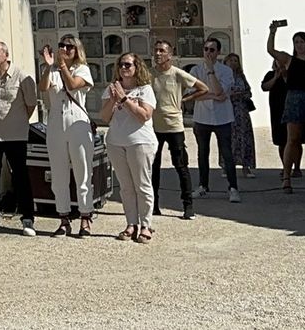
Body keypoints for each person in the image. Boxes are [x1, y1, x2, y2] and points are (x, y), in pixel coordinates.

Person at [0, 41, 38, 235]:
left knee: (21, 176)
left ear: (6, 55)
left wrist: (18, 122)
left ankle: (27, 219)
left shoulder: (21, 76)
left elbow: (30, 104)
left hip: (15, 134)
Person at [38, 36, 95, 237]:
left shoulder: (82, 69)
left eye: (69, 46)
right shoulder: (53, 70)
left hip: (77, 121)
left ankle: (85, 217)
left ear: (77, 49)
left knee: (82, 171)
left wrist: (61, 66)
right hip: (55, 121)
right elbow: (43, 87)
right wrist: (48, 66)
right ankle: (63, 218)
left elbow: (72, 85)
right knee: (58, 173)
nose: (64, 49)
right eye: (61, 45)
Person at [100, 55, 158, 243]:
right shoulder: (112, 89)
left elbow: (145, 116)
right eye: (120, 65)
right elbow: (105, 117)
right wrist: (113, 99)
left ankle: (146, 225)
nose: (123, 68)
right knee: (126, 187)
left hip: (140, 142)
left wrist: (125, 99)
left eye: (128, 64)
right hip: (116, 141)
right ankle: (131, 224)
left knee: (142, 185)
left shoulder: (145, 90)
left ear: (136, 67)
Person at [148, 39, 206, 220]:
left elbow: (203, 88)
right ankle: (154, 204)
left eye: (162, 51)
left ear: (170, 54)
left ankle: (188, 206)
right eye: (156, 50)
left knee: (181, 166)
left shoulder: (177, 74)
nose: (158, 54)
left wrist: (186, 99)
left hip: (174, 126)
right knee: (153, 167)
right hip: (154, 127)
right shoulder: (149, 75)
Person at [267, 24, 305, 194]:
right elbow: (271, 50)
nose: (299, 45)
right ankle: (287, 177)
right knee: (292, 139)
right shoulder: (288, 60)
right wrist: (273, 32)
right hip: (293, 99)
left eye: (302, 41)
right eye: (296, 42)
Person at [189, 40, 241, 204]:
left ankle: (233, 188)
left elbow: (221, 91)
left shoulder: (225, 71)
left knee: (227, 153)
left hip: (222, 117)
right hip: (202, 117)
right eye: (206, 49)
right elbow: (192, 95)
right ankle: (203, 185)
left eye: (212, 50)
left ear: (218, 52)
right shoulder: (195, 70)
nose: (208, 53)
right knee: (202, 152)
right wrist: (212, 96)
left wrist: (211, 72)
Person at [224, 53, 257, 179]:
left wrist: (243, 94)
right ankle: (227, 166)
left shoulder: (241, 77)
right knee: (228, 138)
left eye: (235, 61)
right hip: (227, 110)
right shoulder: (223, 76)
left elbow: (249, 91)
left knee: (245, 138)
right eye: (230, 60)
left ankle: (246, 166)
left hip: (241, 111)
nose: (233, 63)